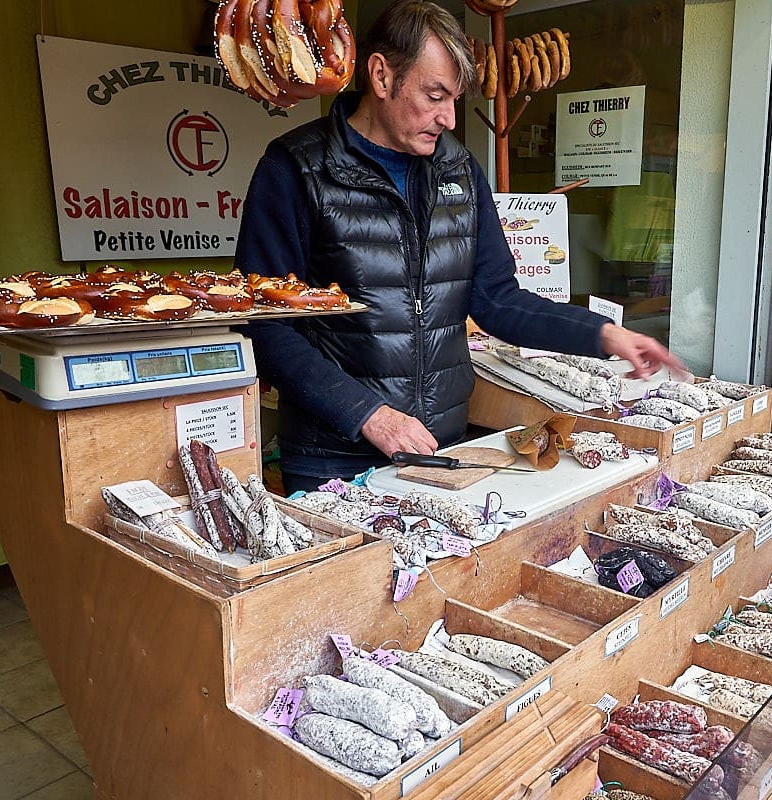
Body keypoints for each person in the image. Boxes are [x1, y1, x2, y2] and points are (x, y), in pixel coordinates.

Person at [235, 0, 680, 493]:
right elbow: (265, 327)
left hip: (439, 448)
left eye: (455, 99)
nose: (448, 117)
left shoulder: (460, 171)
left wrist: (603, 336)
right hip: (332, 459)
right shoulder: (296, 169)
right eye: (434, 95)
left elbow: (498, 300)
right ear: (381, 77)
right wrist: (368, 415)